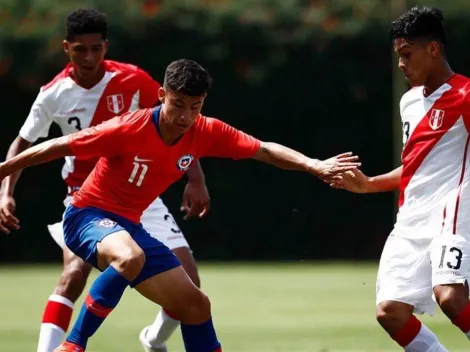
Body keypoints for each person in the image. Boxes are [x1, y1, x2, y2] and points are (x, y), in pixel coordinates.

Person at [0, 58, 360, 352]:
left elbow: (263, 149)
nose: (186, 116)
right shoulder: (128, 126)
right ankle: (73, 345)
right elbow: (56, 147)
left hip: (130, 226)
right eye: (178, 104)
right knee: (129, 257)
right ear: (161, 95)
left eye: (195, 107)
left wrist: (314, 164)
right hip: (85, 217)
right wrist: (3, 171)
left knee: (196, 304)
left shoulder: (205, 130)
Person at [0, 9, 209, 352]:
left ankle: (153, 340)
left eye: (96, 48)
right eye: (80, 49)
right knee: (73, 276)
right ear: (66, 47)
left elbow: (178, 121)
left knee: (191, 283)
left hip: (142, 192)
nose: (89, 57)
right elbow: (23, 142)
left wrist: (195, 177)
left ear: (105, 47)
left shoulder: (133, 79)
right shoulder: (53, 94)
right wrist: (5, 192)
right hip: (86, 199)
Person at [329, 6, 470, 352]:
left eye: (407, 55)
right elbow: (415, 167)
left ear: (433, 49)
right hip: (411, 220)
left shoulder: (465, 95)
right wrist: (369, 184)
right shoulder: (409, 102)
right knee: (389, 312)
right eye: (398, 56)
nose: (401, 64)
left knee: (450, 297)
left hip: (453, 212)